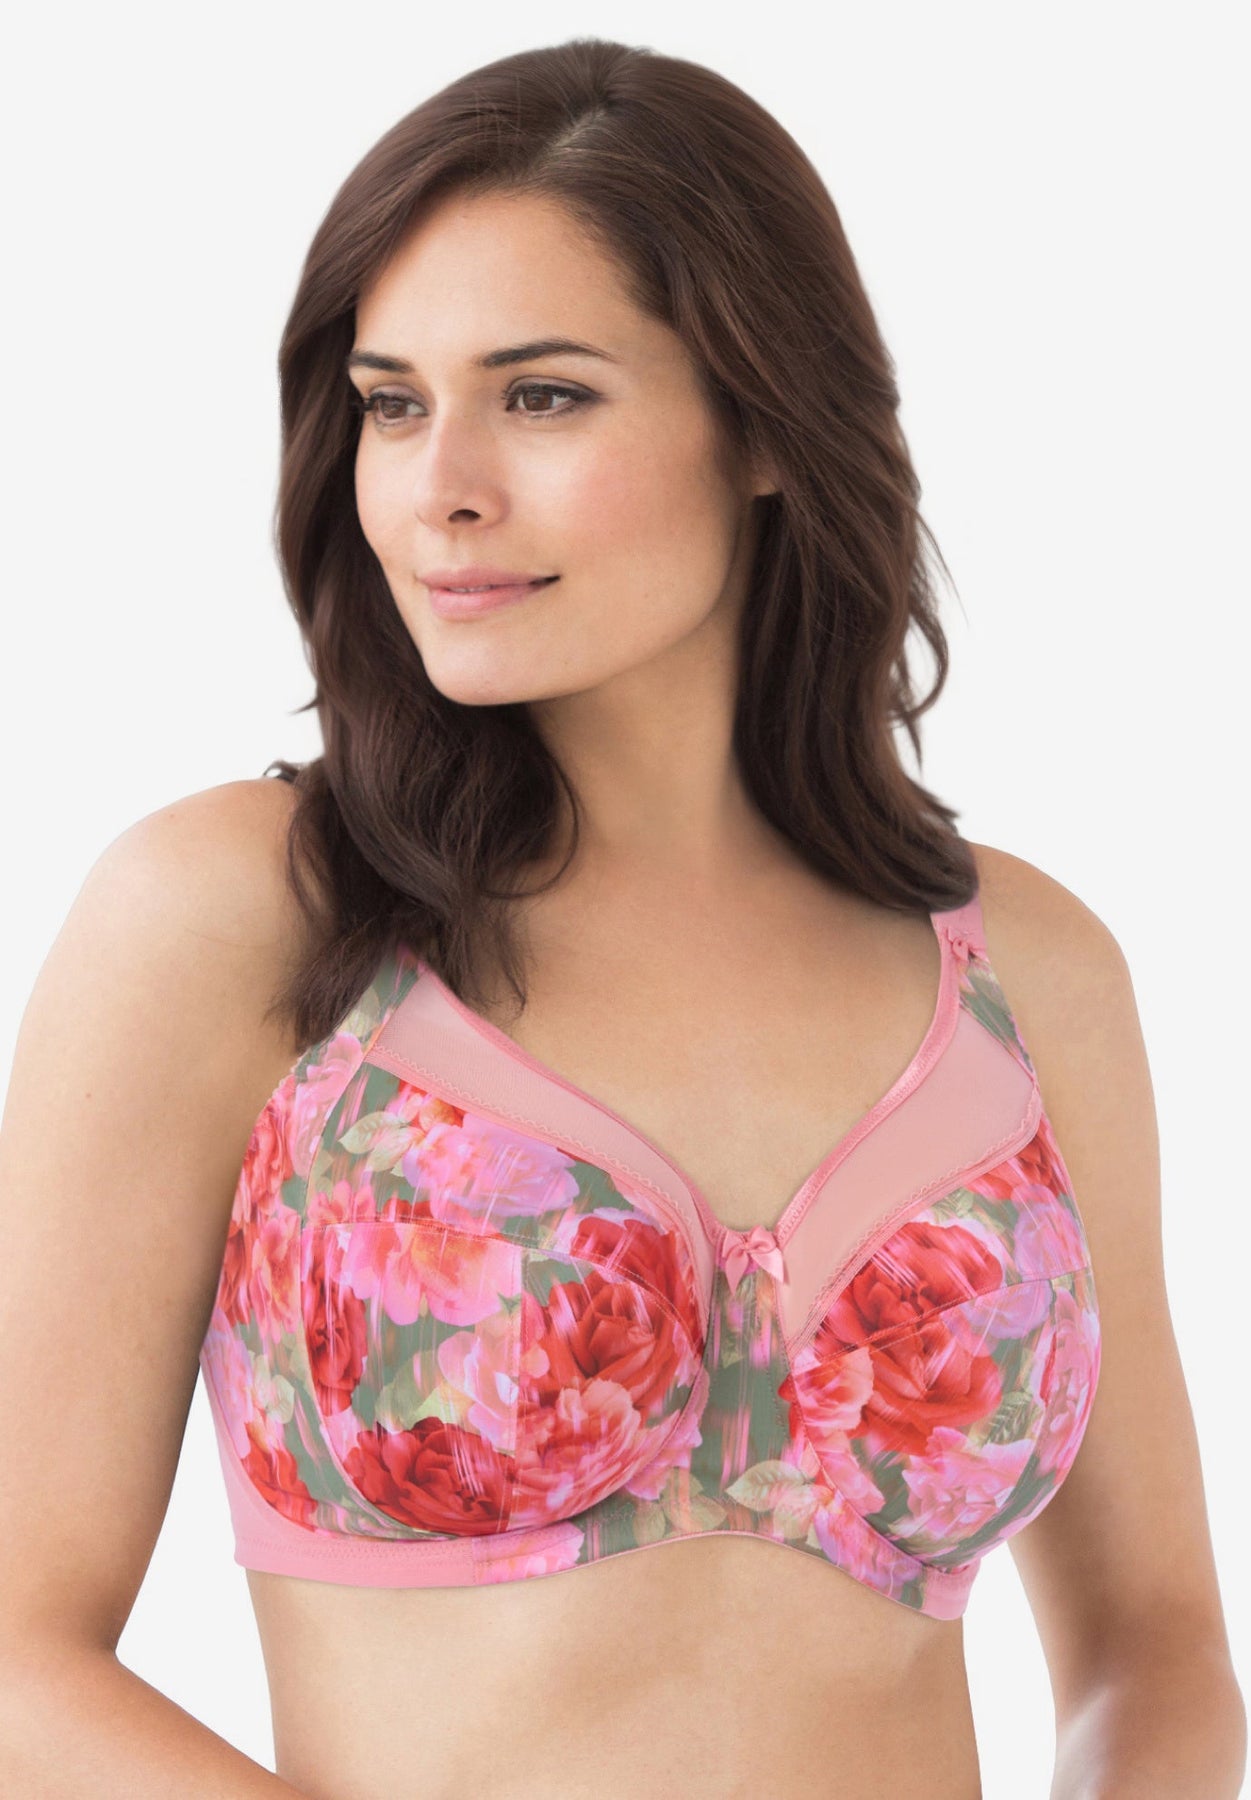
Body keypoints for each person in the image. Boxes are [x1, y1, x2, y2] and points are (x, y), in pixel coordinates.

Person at [0, 35, 1243, 1800]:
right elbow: (18, 1655)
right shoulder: (241, 918)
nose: (440, 486)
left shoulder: (1024, 970)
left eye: (543, 397)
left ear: (766, 422)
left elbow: (1156, 1645)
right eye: (393, 403)